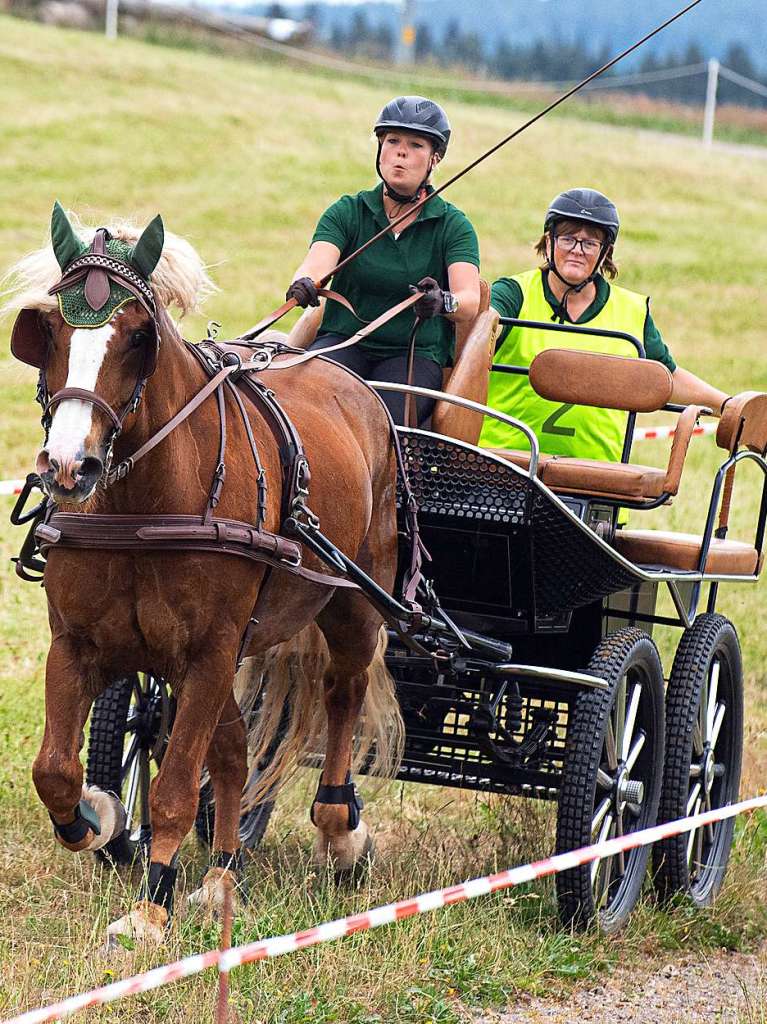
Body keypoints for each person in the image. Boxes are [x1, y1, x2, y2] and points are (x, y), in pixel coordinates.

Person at [479, 188, 729, 457]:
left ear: (605, 252)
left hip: (597, 476)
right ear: (549, 242)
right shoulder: (514, 292)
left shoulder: (632, 311)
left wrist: (728, 406)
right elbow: (483, 329)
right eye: (567, 239)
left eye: (589, 243)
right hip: (507, 466)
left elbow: (666, 377)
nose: (577, 250)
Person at [285, 96, 481, 426]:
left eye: (415, 144)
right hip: (344, 340)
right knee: (306, 403)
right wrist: (305, 282)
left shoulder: (454, 225)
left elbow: (470, 302)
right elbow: (316, 263)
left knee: (381, 421)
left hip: (413, 354)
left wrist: (443, 301)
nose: (401, 152)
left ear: (434, 158)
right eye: (392, 141)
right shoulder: (348, 211)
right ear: (380, 149)